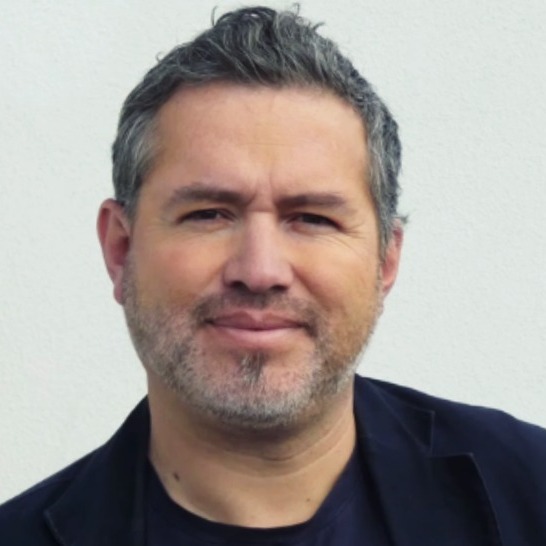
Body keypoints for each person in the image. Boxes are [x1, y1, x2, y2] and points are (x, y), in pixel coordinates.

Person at [1, 5, 545, 545]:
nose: (260, 271)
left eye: (312, 218)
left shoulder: (530, 493)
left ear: (385, 260)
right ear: (121, 249)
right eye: (208, 214)